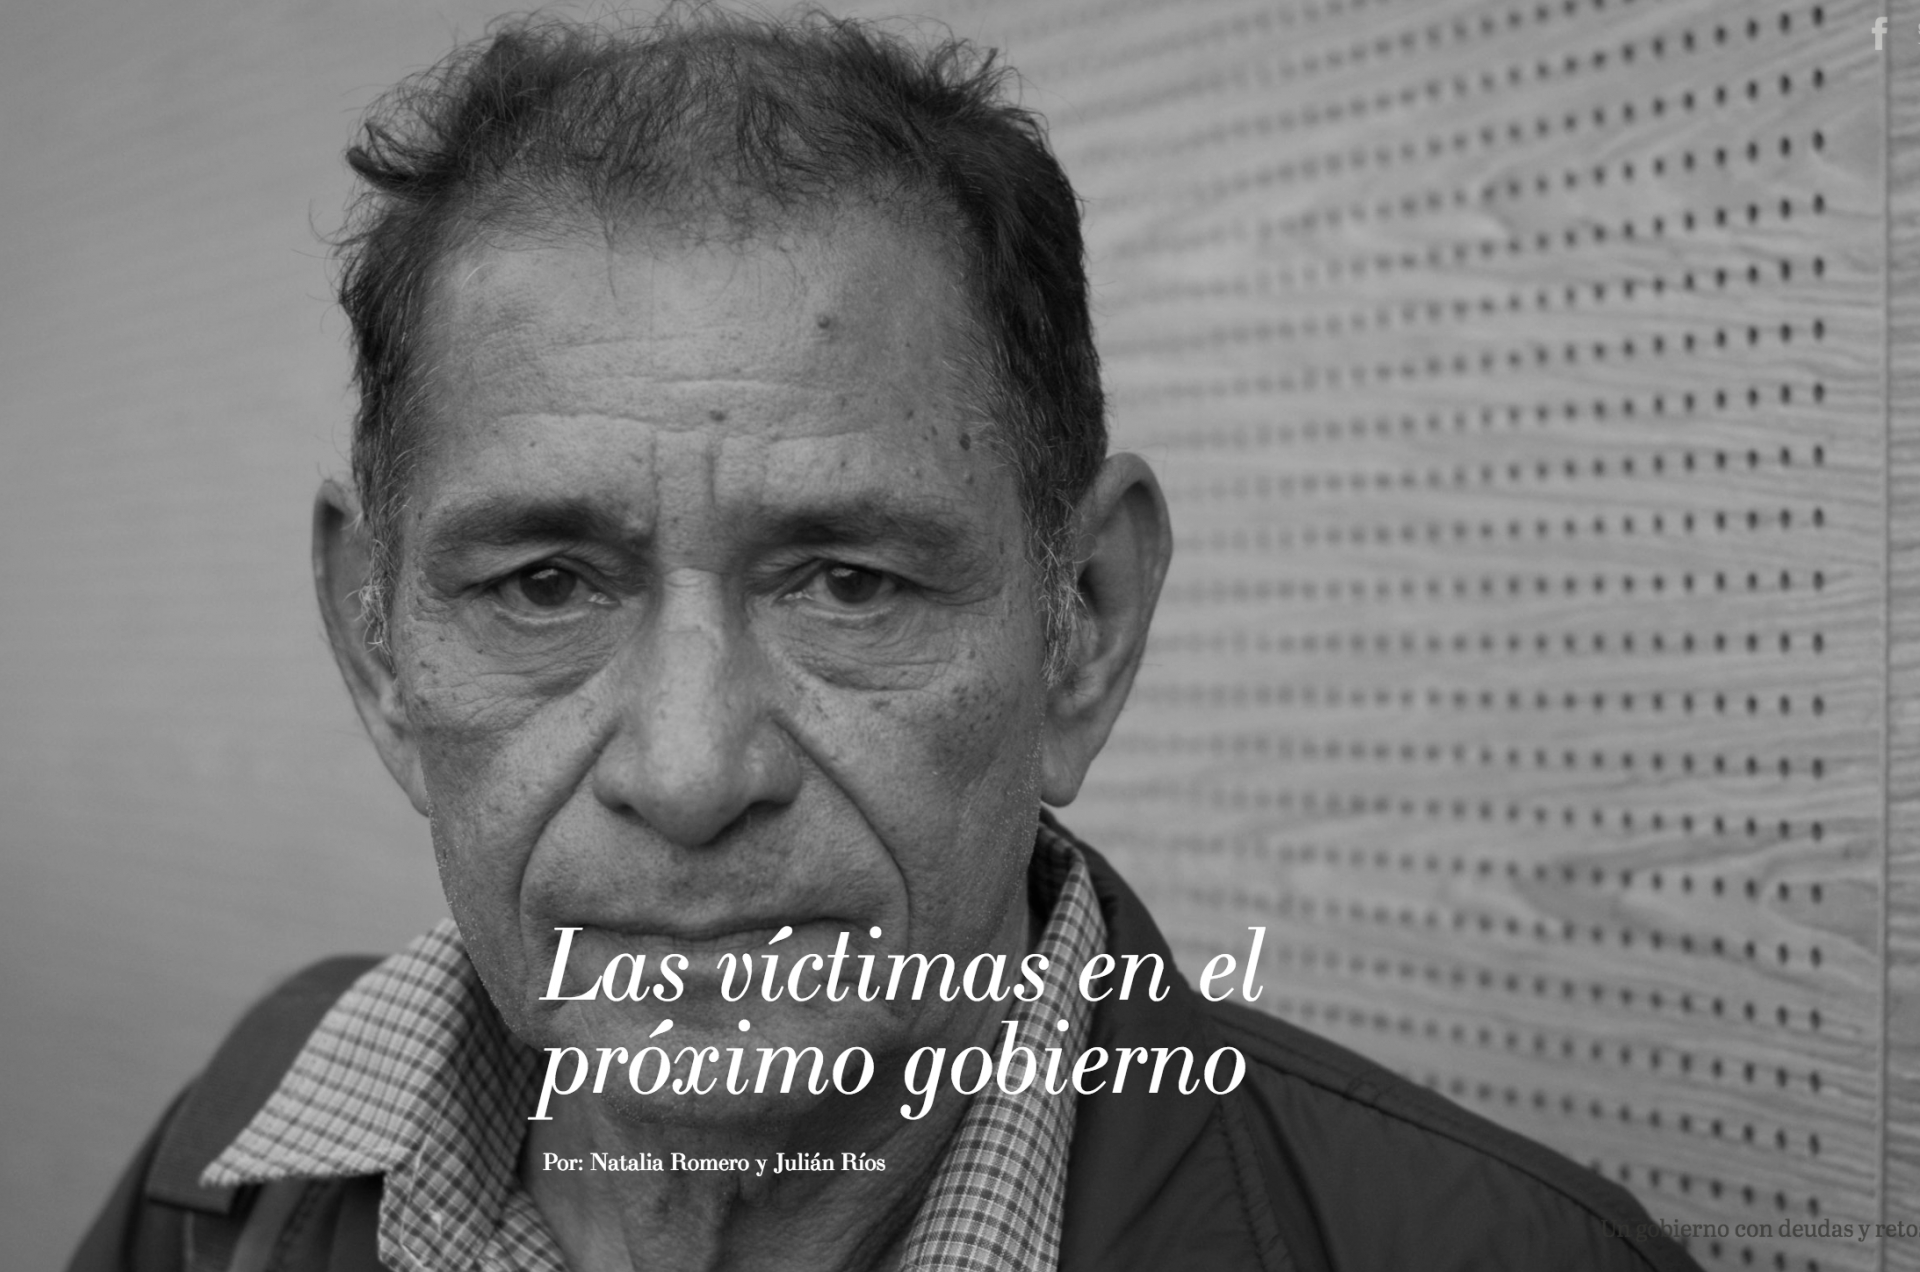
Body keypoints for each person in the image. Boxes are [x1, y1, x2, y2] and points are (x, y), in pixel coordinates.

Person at [70, 11, 1700, 1272]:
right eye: (546, 585)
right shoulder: (232, 1174)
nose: (690, 775)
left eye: (848, 583)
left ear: (1084, 626)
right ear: (377, 646)